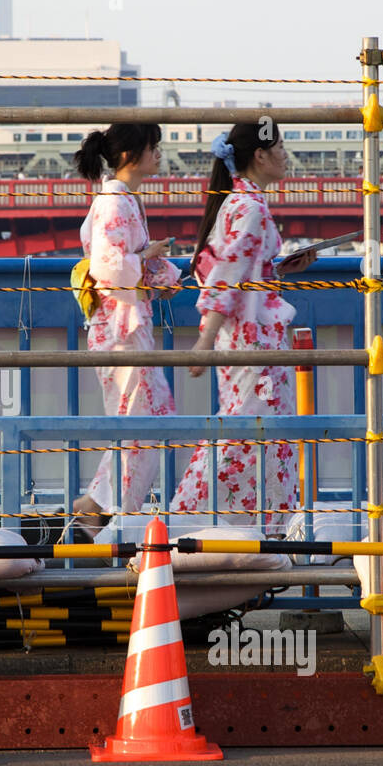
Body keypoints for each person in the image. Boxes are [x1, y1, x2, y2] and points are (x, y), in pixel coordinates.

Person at [169, 123, 316, 530]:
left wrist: (278, 268)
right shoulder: (251, 208)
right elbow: (228, 275)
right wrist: (205, 339)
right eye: (281, 146)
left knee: (247, 435)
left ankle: (225, 529)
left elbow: (223, 269)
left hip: (246, 345)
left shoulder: (236, 203)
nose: (286, 153)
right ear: (260, 155)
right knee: (250, 437)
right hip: (258, 351)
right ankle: (189, 527)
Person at [68, 124, 181, 537]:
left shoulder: (119, 198)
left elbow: (120, 264)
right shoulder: (116, 201)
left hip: (124, 327)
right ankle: (113, 516)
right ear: (133, 154)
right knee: (142, 425)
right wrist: (148, 257)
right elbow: (109, 267)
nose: (159, 153)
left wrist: (158, 272)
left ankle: (102, 508)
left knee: (149, 420)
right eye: (155, 146)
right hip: (119, 330)